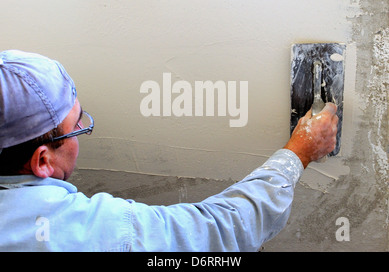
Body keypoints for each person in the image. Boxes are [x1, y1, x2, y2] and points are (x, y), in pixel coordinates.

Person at [0, 50, 338, 251]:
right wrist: (300, 152)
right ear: (42, 160)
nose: (81, 133)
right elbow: (218, 231)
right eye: (78, 126)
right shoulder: (81, 232)